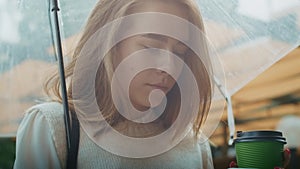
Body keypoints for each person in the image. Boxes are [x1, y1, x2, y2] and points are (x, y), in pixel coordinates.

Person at [13, 0, 290, 169]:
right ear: (109, 44)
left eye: (180, 53)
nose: (169, 67)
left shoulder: (193, 144)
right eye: (149, 45)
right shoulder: (53, 128)